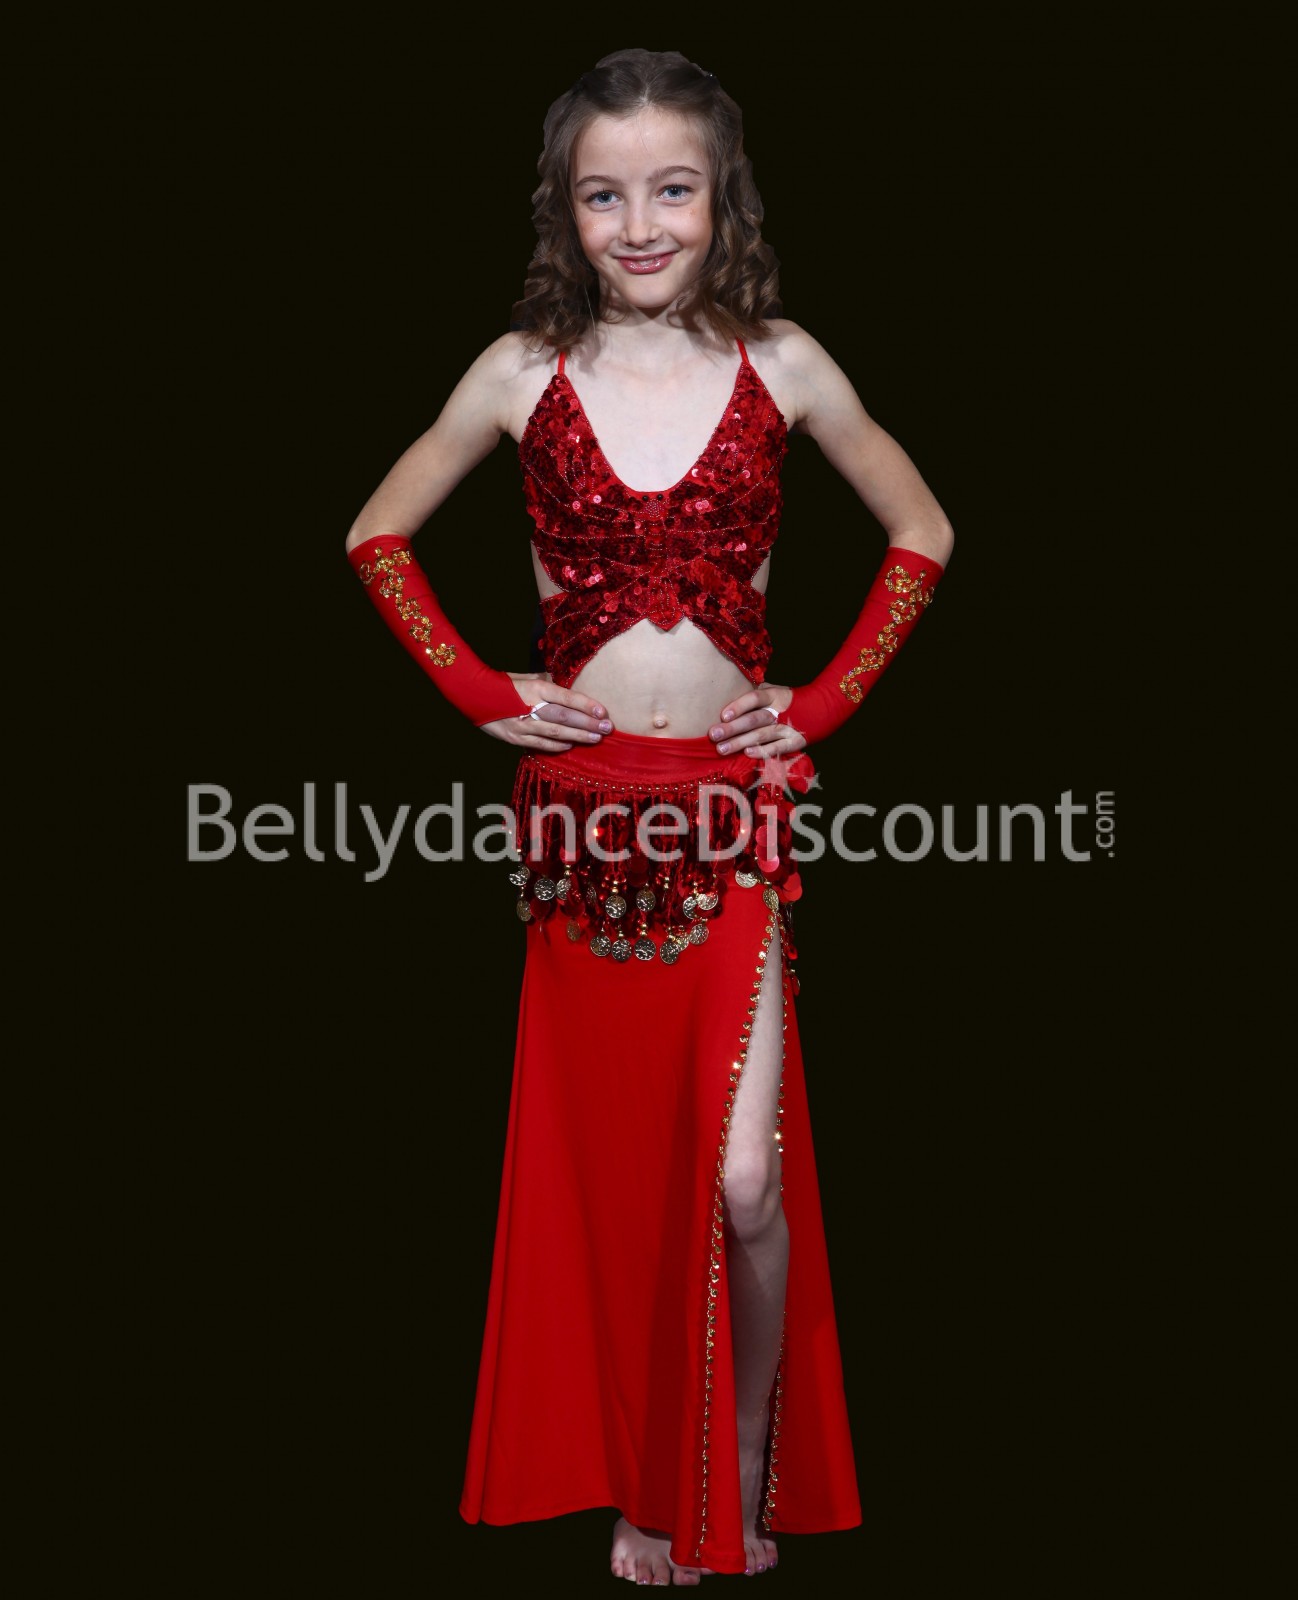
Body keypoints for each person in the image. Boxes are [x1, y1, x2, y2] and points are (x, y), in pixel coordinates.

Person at [345, 48, 953, 1585]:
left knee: (743, 1180)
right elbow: (376, 535)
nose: (637, 224)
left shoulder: (786, 364)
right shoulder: (518, 372)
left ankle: (734, 1466)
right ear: (563, 208)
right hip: (579, 822)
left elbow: (921, 529)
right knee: (623, 1174)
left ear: (720, 198)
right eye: (602, 195)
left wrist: (823, 705)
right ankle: (649, 1488)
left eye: (669, 190)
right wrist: (478, 690)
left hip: (728, 815)